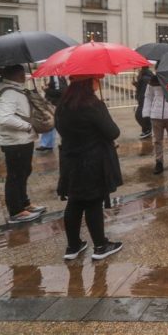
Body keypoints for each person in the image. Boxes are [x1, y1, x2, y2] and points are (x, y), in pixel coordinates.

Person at [55, 75, 123, 260]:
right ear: (89, 82)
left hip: (71, 161)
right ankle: (101, 246)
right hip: (92, 161)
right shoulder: (93, 105)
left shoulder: (63, 106)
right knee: (93, 201)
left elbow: (60, 129)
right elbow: (112, 132)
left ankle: (73, 246)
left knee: (74, 201)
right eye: (96, 79)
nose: (98, 82)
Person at [0, 65, 46, 224]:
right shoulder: (9, 92)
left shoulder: (9, 88)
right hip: (16, 141)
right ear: (14, 74)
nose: (24, 75)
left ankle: (24, 203)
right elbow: (4, 117)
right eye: (22, 73)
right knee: (16, 175)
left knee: (23, 172)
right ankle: (16, 211)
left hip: (20, 140)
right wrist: (27, 126)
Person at [142, 73, 168, 174]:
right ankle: (159, 162)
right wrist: (146, 112)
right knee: (157, 141)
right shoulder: (153, 79)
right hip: (156, 115)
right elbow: (148, 96)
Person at [36, 76, 67, 152]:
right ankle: (47, 144)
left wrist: (46, 90)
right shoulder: (59, 76)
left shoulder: (56, 76)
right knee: (51, 122)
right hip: (56, 103)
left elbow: (61, 91)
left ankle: (48, 144)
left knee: (53, 122)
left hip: (55, 104)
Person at [133, 66, 154, 139]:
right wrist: (136, 84)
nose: (138, 70)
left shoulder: (145, 78)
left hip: (144, 100)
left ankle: (148, 130)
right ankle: (146, 130)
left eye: (139, 68)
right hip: (143, 99)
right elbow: (141, 87)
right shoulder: (144, 76)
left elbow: (144, 90)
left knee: (139, 115)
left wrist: (140, 100)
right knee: (142, 115)